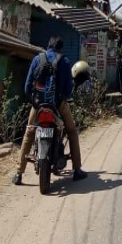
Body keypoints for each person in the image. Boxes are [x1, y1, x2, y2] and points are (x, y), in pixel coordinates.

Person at [13, 37, 87, 185]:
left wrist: (35, 103)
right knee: (72, 132)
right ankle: (77, 170)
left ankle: (18, 173)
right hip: (58, 105)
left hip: (38, 105)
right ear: (61, 48)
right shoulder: (65, 62)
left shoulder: (37, 59)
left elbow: (27, 87)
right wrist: (63, 98)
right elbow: (67, 90)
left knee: (29, 132)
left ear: (48, 46)